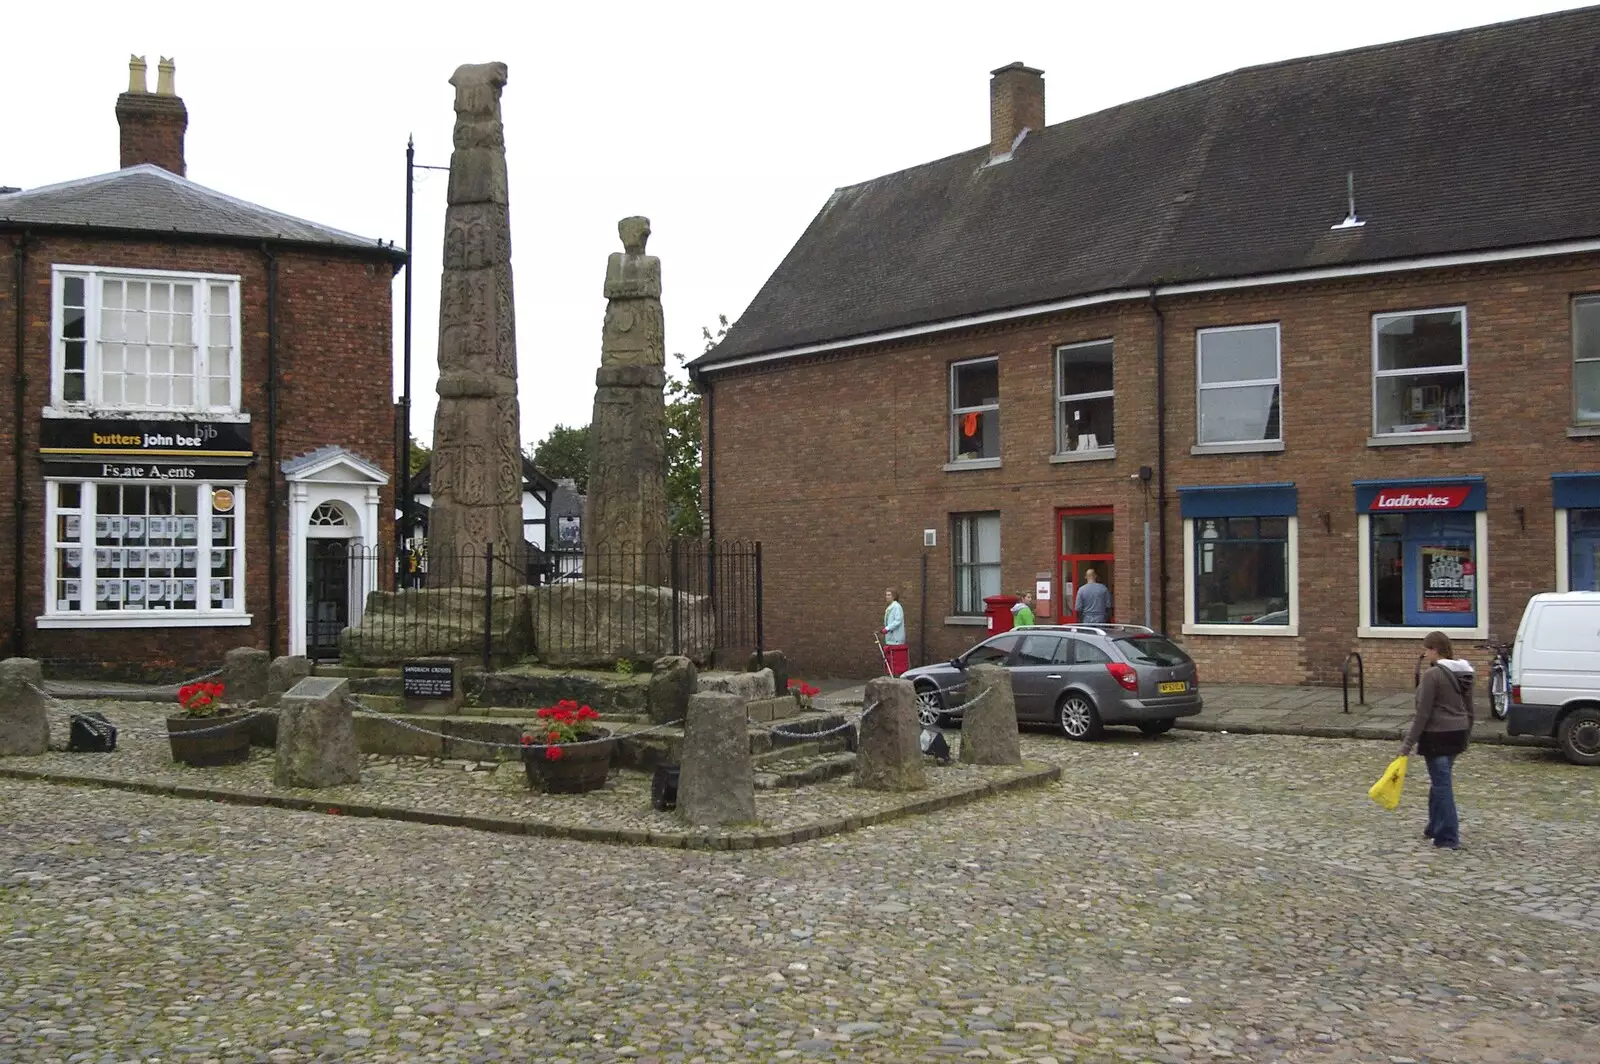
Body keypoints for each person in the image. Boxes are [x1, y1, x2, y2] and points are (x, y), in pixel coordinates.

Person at [1401, 631, 1475, 850]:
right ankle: (1434, 826)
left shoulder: (1433, 676)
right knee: (1439, 781)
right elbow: (1470, 710)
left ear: (1434, 649)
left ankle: (1448, 836)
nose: (1425, 654)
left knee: (1442, 786)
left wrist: (1407, 745)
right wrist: (1467, 734)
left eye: (1426, 649)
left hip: (1438, 735)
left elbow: (1422, 714)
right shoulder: (1465, 673)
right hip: (1458, 732)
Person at [880, 587, 908, 677]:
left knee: (896, 659)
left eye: (889, 595)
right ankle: (891, 674)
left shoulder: (897, 607)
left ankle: (896, 675)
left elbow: (898, 621)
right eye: (886, 595)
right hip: (890, 638)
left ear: (894, 596)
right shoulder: (890, 607)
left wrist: (887, 628)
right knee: (890, 658)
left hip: (896, 638)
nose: (886, 597)